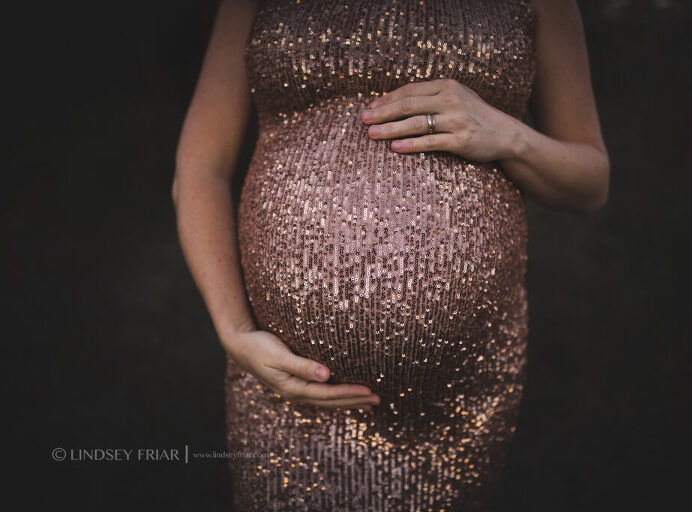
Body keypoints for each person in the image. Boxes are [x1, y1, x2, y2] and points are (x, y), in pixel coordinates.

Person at [172, 0, 609, 509]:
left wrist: (509, 136)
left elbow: (591, 183)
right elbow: (200, 168)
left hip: (455, 397)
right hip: (285, 388)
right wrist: (235, 332)